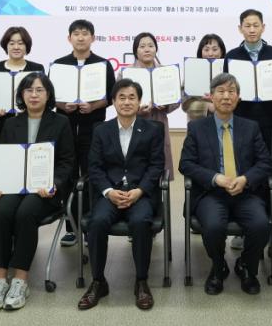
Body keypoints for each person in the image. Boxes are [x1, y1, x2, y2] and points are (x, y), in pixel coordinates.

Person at [0, 73, 74, 311]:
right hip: (13, 186)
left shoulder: (61, 122)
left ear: (48, 94)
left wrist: (55, 184)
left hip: (45, 190)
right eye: (29, 90)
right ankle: (0, 279)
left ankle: (20, 281)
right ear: (21, 95)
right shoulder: (10, 123)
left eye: (39, 90)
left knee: (26, 214)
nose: (34, 95)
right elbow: (2, 159)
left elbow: (67, 162)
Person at [179, 73, 272, 296]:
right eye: (220, 91)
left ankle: (247, 266)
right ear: (211, 97)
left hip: (245, 191)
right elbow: (186, 164)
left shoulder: (250, 127)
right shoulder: (197, 128)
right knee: (213, 226)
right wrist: (215, 178)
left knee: (261, 225)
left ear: (238, 98)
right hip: (211, 193)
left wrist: (245, 179)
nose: (226, 96)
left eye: (231, 92)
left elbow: (265, 162)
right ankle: (218, 266)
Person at [78, 79, 165, 311]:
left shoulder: (153, 129)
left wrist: (140, 190)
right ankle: (98, 281)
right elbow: (94, 167)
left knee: (141, 221)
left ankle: (141, 281)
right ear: (114, 102)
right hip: (110, 193)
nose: (127, 102)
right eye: (122, 97)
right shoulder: (101, 130)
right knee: (97, 222)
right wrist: (108, 191)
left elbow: (156, 165)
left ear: (139, 101)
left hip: (140, 193)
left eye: (132, 97)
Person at [223, 9, 272, 250]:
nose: (251, 29)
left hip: (268, 122)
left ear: (263, 27)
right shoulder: (232, 56)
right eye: (247, 25)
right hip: (241, 122)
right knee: (244, 172)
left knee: (267, 174)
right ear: (240, 28)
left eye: (255, 25)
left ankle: (270, 226)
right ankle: (243, 228)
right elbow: (228, 89)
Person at [54, 19, 116, 247]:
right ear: (69, 38)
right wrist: (63, 106)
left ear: (93, 37)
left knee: (92, 174)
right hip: (66, 126)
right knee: (68, 174)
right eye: (76, 33)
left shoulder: (102, 64)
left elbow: (111, 96)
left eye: (85, 33)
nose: (80, 37)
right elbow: (51, 97)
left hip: (94, 126)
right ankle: (71, 227)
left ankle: (90, 226)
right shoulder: (59, 65)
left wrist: (93, 106)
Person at [118, 32, 178, 180]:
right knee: (136, 168)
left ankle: (161, 194)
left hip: (159, 121)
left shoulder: (167, 72)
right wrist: (136, 110)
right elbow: (118, 101)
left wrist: (166, 105)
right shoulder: (125, 73)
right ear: (135, 51)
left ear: (156, 49)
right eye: (142, 46)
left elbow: (177, 99)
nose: (147, 49)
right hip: (134, 123)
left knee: (160, 170)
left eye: (151, 46)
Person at [0, 26, 45, 143]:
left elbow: (43, 95)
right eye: (12, 43)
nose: (16, 47)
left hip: (31, 124)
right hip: (2, 125)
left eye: (20, 43)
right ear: (6, 46)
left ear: (26, 46)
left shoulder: (37, 68)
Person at [181, 33, 226, 121]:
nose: (210, 53)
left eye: (215, 49)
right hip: (197, 123)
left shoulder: (229, 70)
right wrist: (208, 106)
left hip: (225, 123)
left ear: (222, 51)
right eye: (206, 49)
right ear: (200, 52)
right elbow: (185, 104)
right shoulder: (192, 71)